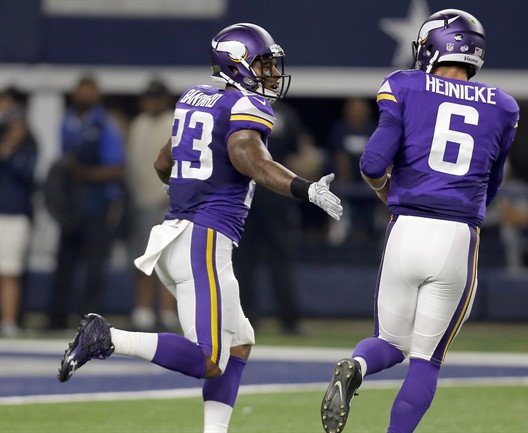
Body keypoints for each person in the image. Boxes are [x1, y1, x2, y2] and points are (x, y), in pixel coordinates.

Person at [56, 23, 343, 433]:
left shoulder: (196, 99)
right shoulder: (245, 107)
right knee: (210, 358)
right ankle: (108, 337)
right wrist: (305, 188)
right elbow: (250, 159)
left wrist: (188, 195)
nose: (272, 74)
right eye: (263, 64)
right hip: (202, 241)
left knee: (239, 342)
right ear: (238, 65)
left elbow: (162, 162)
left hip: (179, 234)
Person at [320, 10, 519, 433]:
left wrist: (384, 192)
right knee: (426, 361)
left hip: (404, 228)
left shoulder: (404, 85)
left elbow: (373, 162)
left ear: (434, 46)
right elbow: (492, 184)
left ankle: (355, 364)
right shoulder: (503, 105)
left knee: (389, 342)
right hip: (455, 236)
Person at [233, 100, 322, 334]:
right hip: (275, 193)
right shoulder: (283, 113)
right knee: (279, 259)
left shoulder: (239, 108)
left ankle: (247, 318)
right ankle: (288, 320)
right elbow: (299, 155)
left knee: (245, 260)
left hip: (246, 193)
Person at [46, 76, 126, 330]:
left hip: (96, 204)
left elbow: (116, 169)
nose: (84, 98)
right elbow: (63, 163)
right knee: (64, 265)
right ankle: (57, 317)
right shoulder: (67, 121)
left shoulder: (105, 126)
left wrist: (82, 173)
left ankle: (88, 320)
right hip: (71, 206)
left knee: (94, 267)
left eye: (89, 93)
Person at [127, 78, 179, 331]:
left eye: (156, 97)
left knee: (168, 260)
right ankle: (143, 310)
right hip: (141, 200)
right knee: (142, 257)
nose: (152, 102)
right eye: (149, 97)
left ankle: (168, 312)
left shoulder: (174, 121)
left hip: (167, 200)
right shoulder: (139, 124)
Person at [0, 87, 38, 337]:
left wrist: (10, 151)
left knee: (10, 271)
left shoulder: (28, 149)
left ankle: (10, 321)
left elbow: (28, 175)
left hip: (14, 215)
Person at [328, 97, 381, 242]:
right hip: (347, 179)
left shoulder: (373, 129)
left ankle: (376, 230)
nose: (356, 113)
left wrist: (375, 180)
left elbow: (380, 155)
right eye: (353, 109)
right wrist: (345, 182)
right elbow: (340, 157)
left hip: (370, 178)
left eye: (360, 109)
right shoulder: (340, 129)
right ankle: (340, 233)